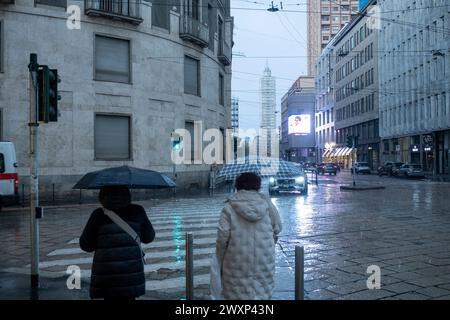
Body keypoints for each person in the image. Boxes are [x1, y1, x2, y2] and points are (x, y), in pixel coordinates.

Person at [79, 185, 155, 300]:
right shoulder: (137, 211)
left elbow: (86, 245)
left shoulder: (98, 215)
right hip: (131, 274)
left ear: (102, 196)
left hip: (106, 275)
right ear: (127, 194)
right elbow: (148, 238)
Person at [214, 172, 282, 300]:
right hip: (264, 259)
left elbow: (222, 237)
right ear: (257, 186)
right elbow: (278, 227)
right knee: (262, 294)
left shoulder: (229, 207)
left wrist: (220, 259)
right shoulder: (267, 205)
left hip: (236, 261)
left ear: (237, 186)